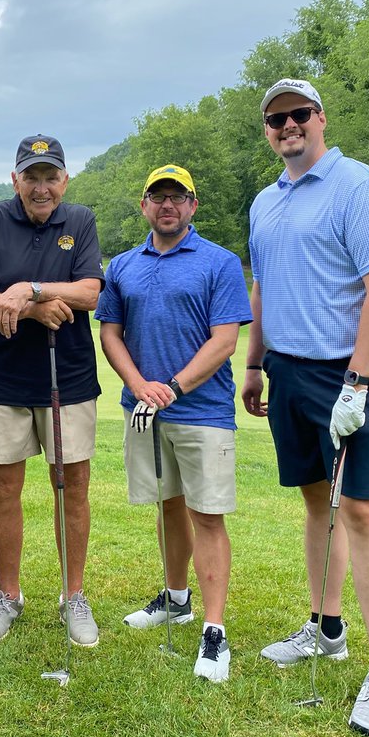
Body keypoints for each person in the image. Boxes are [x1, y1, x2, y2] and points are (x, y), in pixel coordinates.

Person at [242, 78, 369, 737]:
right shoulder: (264, 201)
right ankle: (326, 627)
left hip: (351, 372)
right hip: (288, 369)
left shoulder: (358, 186)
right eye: (276, 118)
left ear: (320, 118)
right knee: (317, 501)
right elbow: (263, 288)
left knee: (364, 512)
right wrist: (254, 364)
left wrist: (358, 383)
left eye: (298, 114)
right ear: (268, 130)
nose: (288, 125)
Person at [96, 165, 251, 683]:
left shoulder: (220, 262)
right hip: (142, 406)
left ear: (192, 205)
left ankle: (214, 629)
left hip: (202, 410)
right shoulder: (122, 265)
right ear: (144, 205)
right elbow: (111, 334)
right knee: (167, 506)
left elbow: (225, 340)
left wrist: (174, 387)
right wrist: (141, 385)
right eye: (157, 196)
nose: (167, 205)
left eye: (177, 197)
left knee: (207, 514)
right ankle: (177, 597)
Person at [0, 134, 104, 646]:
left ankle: (73, 595)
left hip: (70, 378)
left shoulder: (80, 220)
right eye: (32, 177)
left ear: (64, 180)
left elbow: (89, 291)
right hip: (2, 380)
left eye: (50, 177)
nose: (41, 188)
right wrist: (30, 306)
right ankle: (8, 594)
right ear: (15, 179)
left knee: (72, 485)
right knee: (1, 487)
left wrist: (32, 288)